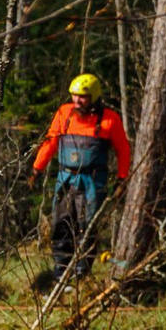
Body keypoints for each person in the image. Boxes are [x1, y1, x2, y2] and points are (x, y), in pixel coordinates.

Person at [32, 74, 131, 289]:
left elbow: (123, 150)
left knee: (87, 227)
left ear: (94, 97)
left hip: (93, 182)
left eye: (83, 97)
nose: (77, 101)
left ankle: (81, 274)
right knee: (61, 224)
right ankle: (60, 272)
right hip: (65, 179)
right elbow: (50, 142)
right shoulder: (64, 114)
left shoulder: (109, 119)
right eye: (74, 96)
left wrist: (122, 178)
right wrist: (36, 168)